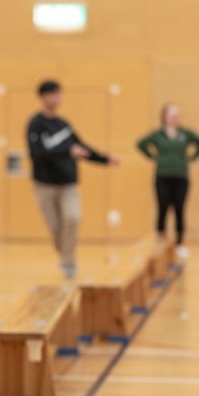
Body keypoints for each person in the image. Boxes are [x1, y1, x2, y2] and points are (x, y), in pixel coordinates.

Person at [27, 80, 119, 278]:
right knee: (55, 227)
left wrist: (104, 159)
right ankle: (65, 256)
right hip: (44, 184)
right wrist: (67, 150)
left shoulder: (64, 125)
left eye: (58, 94)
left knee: (73, 218)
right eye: (51, 94)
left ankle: (68, 261)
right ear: (42, 97)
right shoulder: (36, 125)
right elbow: (37, 153)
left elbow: (81, 148)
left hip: (68, 183)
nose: (56, 98)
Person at [136, 103, 199, 257]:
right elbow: (141, 144)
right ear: (165, 117)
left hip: (181, 177)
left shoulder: (185, 134)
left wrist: (191, 157)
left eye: (177, 115)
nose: (175, 118)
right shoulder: (158, 135)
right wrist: (154, 157)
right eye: (172, 115)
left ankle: (180, 244)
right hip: (162, 177)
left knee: (179, 210)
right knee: (162, 209)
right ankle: (159, 244)